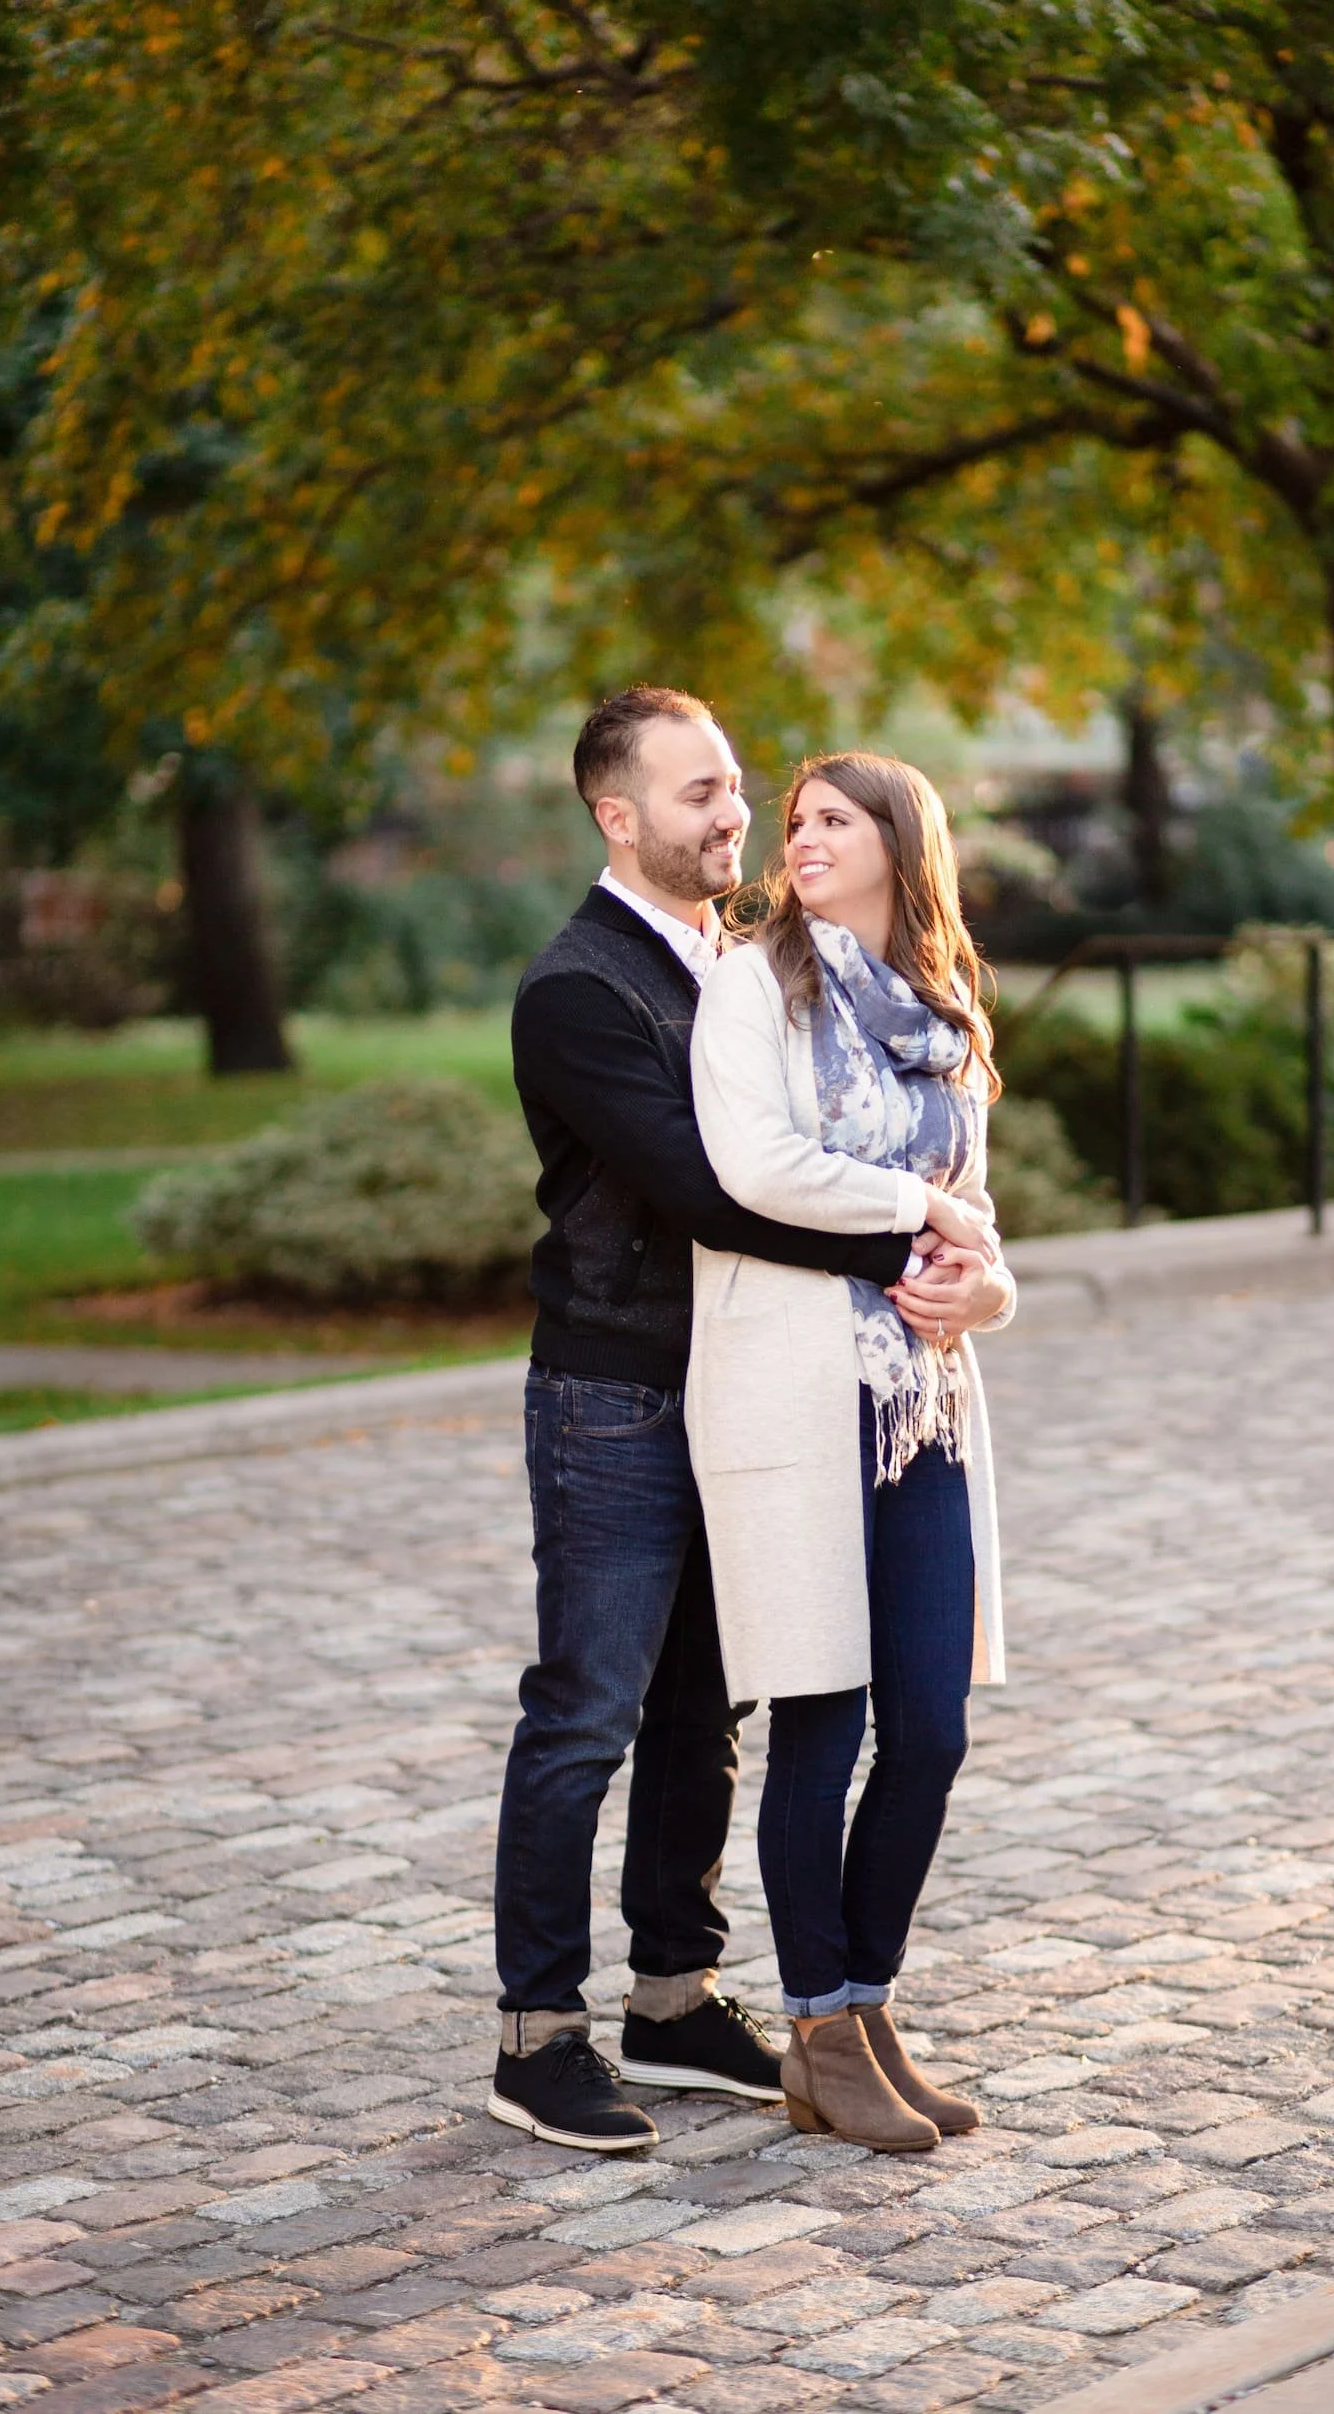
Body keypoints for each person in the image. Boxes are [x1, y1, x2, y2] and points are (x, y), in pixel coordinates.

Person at [490, 689, 1006, 2153]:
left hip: (743, 1385)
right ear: (617, 815)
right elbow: (715, 1186)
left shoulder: (741, 960)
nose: (738, 819)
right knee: (587, 1708)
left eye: (741, 794)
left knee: (708, 1709)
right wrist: (920, 1243)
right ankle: (537, 2034)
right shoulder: (581, 988)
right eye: (703, 796)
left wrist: (964, 1271)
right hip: (614, 1390)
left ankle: (674, 1992)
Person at [687, 752, 1016, 2153]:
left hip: (918, 1404)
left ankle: (867, 2008)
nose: (799, 838)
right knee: (820, 1722)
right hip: (787, 1393)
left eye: (832, 819)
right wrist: (918, 1216)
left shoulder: (943, 1018)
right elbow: (751, 1167)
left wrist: (980, 1285)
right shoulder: (749, 986)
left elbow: (982, 1222)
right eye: (795, 821)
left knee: (929, 1728)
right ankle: (818, 2031)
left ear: (899, 842)